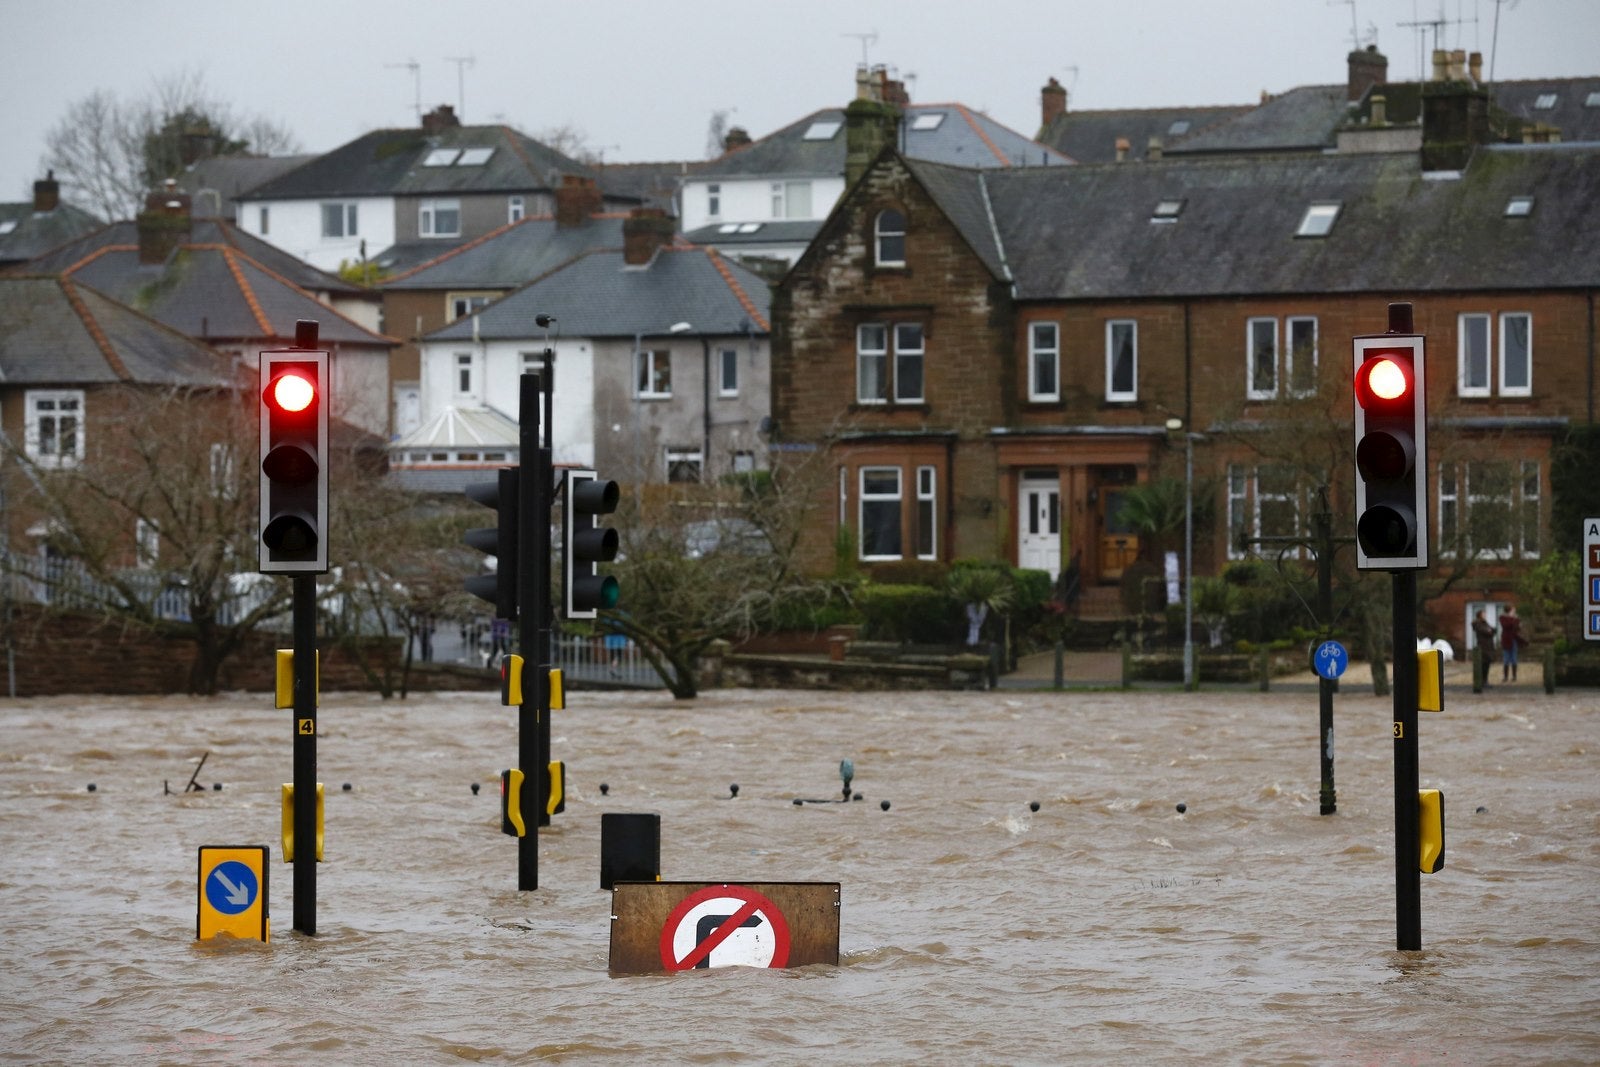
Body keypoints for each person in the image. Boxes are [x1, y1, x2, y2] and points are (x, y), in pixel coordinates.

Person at [1499, 604, 1524, 682]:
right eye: (1513, 610)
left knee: (1514, 658)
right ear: (1509, 610)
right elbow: (1506, 626)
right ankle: (1505, 676)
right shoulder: (1502, 617)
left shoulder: (1515, 618)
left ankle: (1514, 676)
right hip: (1506, 639)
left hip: (1513, 639)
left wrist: (1518, 624)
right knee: (1506, 658)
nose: (1514, 612)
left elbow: (1517, 628)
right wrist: (1512, 618)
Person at [1472, 609, 1496, 688]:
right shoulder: (1478, 624)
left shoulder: (1485, 623)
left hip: (1488, 646)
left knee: (1487, 664)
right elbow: (1487, 632)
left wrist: (1490, 631)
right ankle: (1482, 681)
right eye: (1483, 614)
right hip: (1483, 647)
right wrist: (1489, 631)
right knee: (1483, 665)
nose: (1485, 615)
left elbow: (1493, 630)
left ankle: (1485, 681)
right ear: (1480, 615)